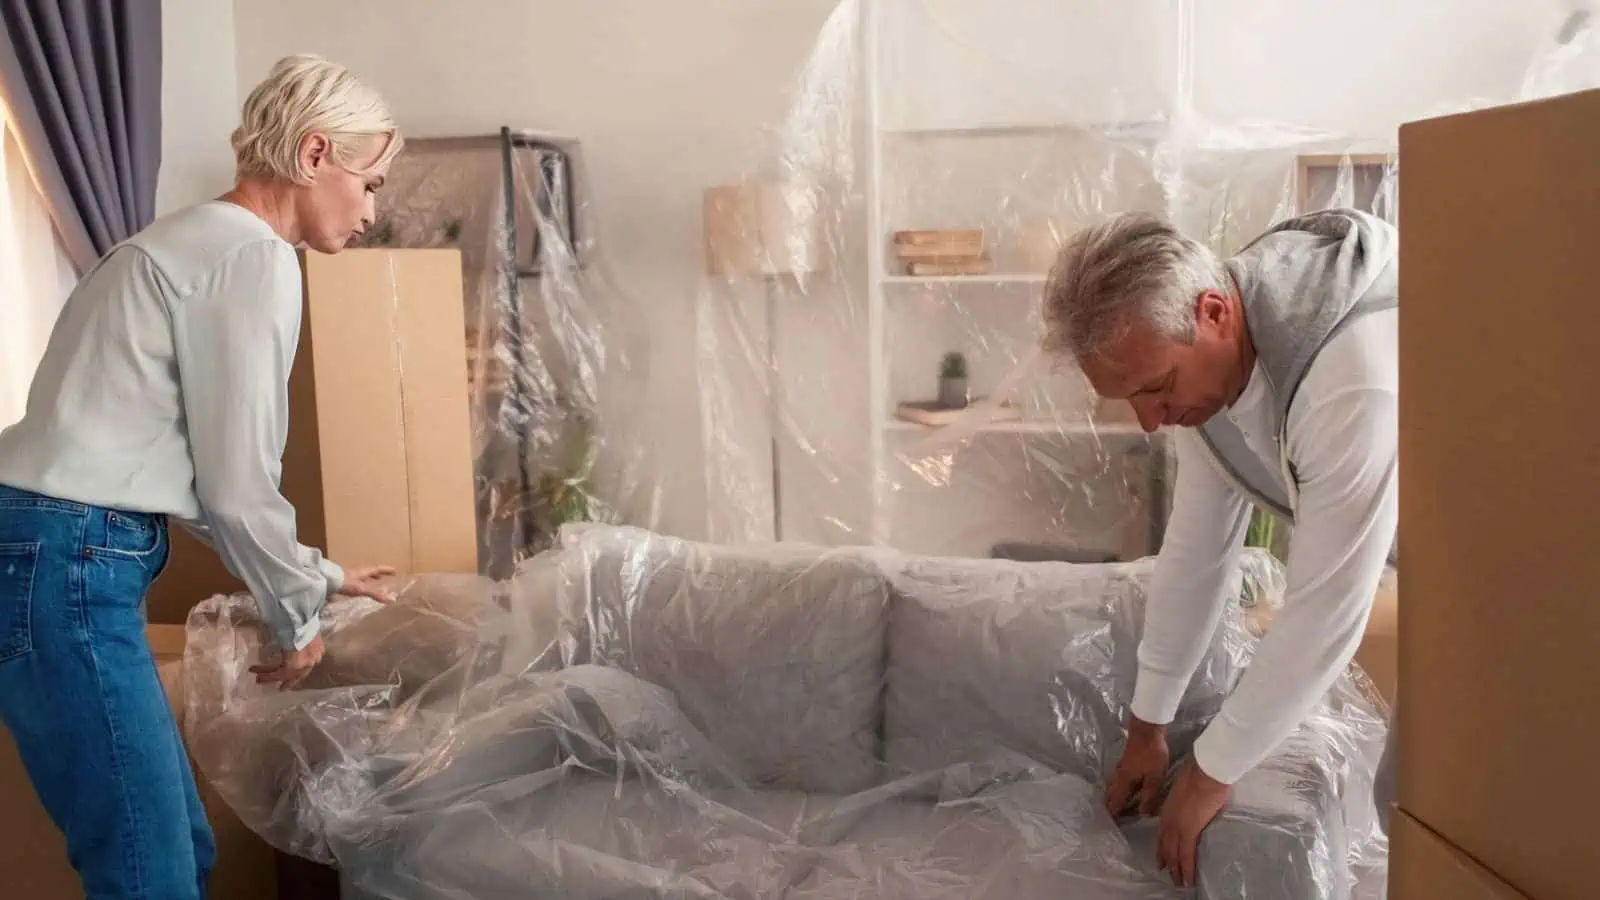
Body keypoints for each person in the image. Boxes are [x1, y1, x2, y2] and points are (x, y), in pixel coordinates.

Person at [0, 55, 403, 899]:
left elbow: (156, 463)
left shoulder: (177, 240)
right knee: (151, 872)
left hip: (48, 549)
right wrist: (297, 620)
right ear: (315, 154)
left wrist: (316, 573)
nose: (373, 211)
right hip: (69, 560)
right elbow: (236, 480)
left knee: (172, 848)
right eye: (369, 183)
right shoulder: (252, 260)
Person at [1040, 208, 1398, 888]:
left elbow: (1326, 610)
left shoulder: (1346, 371)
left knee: (1429, 796)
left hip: (1529, 552)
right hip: (1449, 557)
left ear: (1214, 313)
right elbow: (1197, 553)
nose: (1150, 422)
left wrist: (1211, 771)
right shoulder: (1206, 368)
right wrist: (1150, 722)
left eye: (1156, 390)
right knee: (1414, 797)